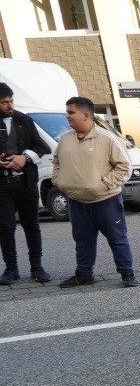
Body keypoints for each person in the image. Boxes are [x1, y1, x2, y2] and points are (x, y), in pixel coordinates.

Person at [53, 96, 139, 288]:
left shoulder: (107, 138)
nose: (67, 116)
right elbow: (56, 162)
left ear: (85, 115)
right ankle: (84, 274)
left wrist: (104, 184)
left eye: (70, 112)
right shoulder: (65, 139)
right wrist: (59, 181)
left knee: (117, 239)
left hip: (105, 199)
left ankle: (127, 273)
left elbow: (125, 167)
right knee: (82, 240)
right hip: (77, 201)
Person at [0, 82, 53, 285]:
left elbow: (42, 146)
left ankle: (37, 267)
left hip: (26, 183)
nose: (10, 105)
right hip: (2, 185)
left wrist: (25, 157)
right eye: (5, 102)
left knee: (31, 225)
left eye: (11, 101)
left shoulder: (24, 120)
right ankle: (11, 269)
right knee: (5, 227)